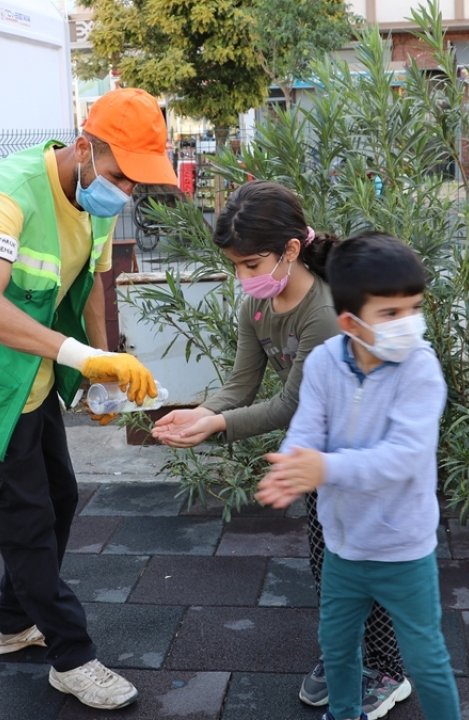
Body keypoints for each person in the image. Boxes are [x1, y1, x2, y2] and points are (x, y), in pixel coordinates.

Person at [0, 88, 177, 711]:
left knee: (58, 498)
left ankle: (10, 626)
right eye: (121, 176)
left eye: (139, 184)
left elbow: (90, 288)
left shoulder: (99, 202)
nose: (127, 193)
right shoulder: (4, 194)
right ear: (83, 149)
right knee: (28, 521)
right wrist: (85, 359)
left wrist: (101, 371)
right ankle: (72, 657)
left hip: (34, 375)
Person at [150, 181, 413, 719]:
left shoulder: (322, 311)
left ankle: (389, 672)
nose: (243, 278)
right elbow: (242, 384)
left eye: (251, 264)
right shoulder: (259, 303)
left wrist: (216, 425)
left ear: (290, 250)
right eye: (236, 267)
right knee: (328, 561)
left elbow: (290, 405)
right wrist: (200, 412)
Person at [256, 232, 461, 720]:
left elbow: (405, 456)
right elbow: (307, 426)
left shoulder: (420, 370)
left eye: (414, 308)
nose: (408, 324)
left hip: (403, 550)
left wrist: (324, 468)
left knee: (427, 658)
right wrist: (291, 465)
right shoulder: (327, 362)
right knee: (338, 646)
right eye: (390, 314)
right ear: (350, 323)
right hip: (343, 547)